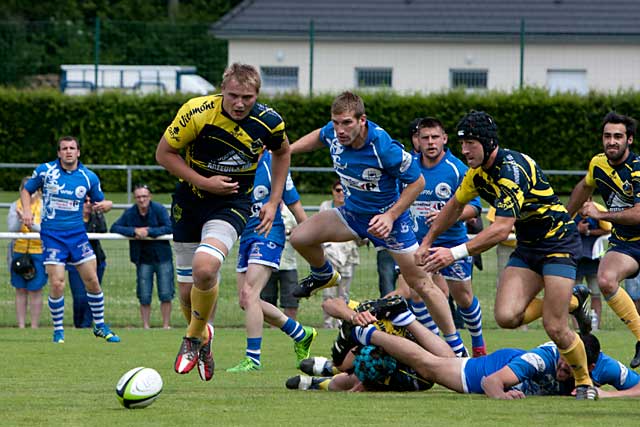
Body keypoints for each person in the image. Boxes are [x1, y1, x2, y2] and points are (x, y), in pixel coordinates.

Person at [415, 110, 596, 399]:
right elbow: (453, 206)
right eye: (462, 144)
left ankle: (585, 383)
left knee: (555, 326)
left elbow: (500, 231)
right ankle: (574, 301)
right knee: (506, 316)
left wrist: (454, 253)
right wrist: (427, 241)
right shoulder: (477, 174)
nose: (464, 150)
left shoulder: (511, 170)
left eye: (470, 143)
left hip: (558, 243)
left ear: (487, 142)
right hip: (529, 246)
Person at [289, 91, 459, 355]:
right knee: (300, 237)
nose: (340, 129)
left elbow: (418, 182)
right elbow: (319, 137)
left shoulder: (383, 147)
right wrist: (287, 151)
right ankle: (323, 273)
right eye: (336, 122)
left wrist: (390, 216)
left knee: (422, 284)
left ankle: (457, 349)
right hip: (352, 216)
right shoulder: (334, 134)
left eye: (346, 123)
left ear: (362, 120)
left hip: (390, 223)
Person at [155, 62, 291, 382]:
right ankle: (203, 339)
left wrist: (273, 201)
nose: (240, 103)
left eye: (247, 96)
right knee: (187, 293)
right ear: (222, 90)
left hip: (232, 204)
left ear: (257, 94)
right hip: (189, 202)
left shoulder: (269, 122)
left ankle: (192, 338)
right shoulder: (197, 112)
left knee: (206, 268)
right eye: (233, 96)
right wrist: (203, 182)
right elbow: (164, 154)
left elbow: (283, 153)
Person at [351, 320, 640, 398]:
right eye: (564, 358)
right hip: (493, 367)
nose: (564, 366)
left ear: (590, 366)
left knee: (444, 359)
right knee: (429, 367)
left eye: (571, 363)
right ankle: (367, 333)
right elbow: (491, 382)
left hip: (511, 362)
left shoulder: (605, 367)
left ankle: (404, 317)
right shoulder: (543, 359)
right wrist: (502, 396)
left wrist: (608, 396)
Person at [20, 135, 120, 344]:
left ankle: (100, 326)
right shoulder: (46, 171)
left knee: (92, 280)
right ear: (58, 153)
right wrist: (28, 211)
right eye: (64, 148)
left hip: (77, 235)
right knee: (57, 284)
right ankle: (58, 331)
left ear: (78, 152)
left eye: (72, 148)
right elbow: (26, 190)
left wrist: (107, 205)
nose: (68, 151)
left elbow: (102, 202)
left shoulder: (88, 177)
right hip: (52, 235)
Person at [226, 150, 314, 372]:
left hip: (268, 234)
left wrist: (312, 235)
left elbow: (293, 201)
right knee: (246, 301)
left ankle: (253, 359)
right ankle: (301, 334)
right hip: (246, 236)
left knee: (250, 294)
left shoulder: (274, 163)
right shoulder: (234, 164)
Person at [406, 117, 486, 356]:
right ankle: (443, 348)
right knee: (417, 294)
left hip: (452, 243)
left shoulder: (458, 169)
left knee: (463, 298)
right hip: (419, 244)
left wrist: (447, 215)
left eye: (434, 137)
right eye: (425, 138)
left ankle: (478, 344)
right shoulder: (409, 167)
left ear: (444, 139)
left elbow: (474, 208)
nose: (430, 143)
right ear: (417, 141)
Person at [567, 111, 640, 369]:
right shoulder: (598, 163)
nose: (612, 141)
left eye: (618, 136)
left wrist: (602, 214)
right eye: (607, 136)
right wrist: (566, 218)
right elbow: (584, 187)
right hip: (626, 244)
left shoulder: (637, 170)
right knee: (606, 280)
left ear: (629, 140)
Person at [110, 183, 174, 329]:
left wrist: (149, 232)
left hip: (162, 257)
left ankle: (166, 325)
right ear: (135, 198)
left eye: (144, 196)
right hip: (143, 259)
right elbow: (115, 227)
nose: (141, 200)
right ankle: (145, 326)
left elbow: (169, 227)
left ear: (150, 197)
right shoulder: (131, 212)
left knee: (166, 292)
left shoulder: (159, 209)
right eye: (138, 197)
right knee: (144, 294)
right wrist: (134, 231)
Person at [319, 180, 361, 328]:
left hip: (349, 253)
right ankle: (328, 325)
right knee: (328, 292)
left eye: (343, 190)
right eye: (338, 190)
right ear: (333, 191)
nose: (341, 193)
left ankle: (343, 325)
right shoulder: (325, 207)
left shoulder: (353, 207)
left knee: (344, 293)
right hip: (330, 252)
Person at [8, 176, 46, 329]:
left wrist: (31, 223)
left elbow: (46, 230)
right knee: (20, 289)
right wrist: (20, 218)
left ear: (38, 192)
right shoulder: (15, 206)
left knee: (36, 289)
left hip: (38, 252)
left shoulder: (44, 206)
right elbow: (12, 229)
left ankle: (34, 326)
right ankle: (21, 325)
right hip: (19, 251)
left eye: (32, 191)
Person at [66, 196, 110, 328]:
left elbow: (103, 230)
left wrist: (98, 212)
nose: (88, 204)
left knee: (94, 294)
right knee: (79, 297)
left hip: (96, 261)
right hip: (76, 262)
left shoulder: (96, 217)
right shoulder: (72, 219)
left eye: (91, 202)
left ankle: (89, 325)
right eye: (85, 201)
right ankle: (79, 325)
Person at [573, 199, 611, 330]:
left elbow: (608, 229)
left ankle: (595, 326)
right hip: (576, 259)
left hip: (593, 260)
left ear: (590, 201)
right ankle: (577, 327)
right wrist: (577, 229)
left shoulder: (598, 211)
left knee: (595, 293)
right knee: (574, 295)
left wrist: (589, 232)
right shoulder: (571, 212)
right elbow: (563, 230)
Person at [261, 205, 301, 320]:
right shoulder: (263, 209)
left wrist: (290, 232)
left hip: (288, 266)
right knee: (268, 302)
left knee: (291, 302)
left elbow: (303, 229)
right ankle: (273, 334)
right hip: (267, 264)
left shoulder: (291, 212)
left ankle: (291, 330)